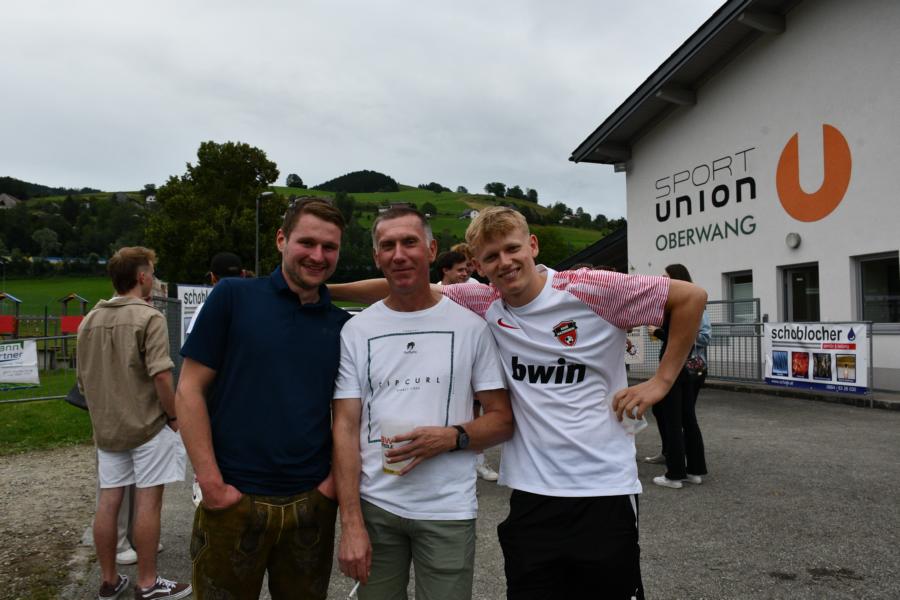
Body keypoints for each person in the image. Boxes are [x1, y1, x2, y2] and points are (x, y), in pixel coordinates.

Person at [330, 206, 707, 599]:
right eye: (492, 257)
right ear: (478, 267)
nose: (505, 262)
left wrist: (661, 381)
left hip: (603, 489)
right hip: (530, 491)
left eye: (512, 249)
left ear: (533, 245)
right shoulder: (484, 300)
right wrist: (325, 290)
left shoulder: (590, 287)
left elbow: (690, 298)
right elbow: (401, 284)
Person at [333, 207, 512, 600]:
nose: (399, 254)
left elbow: (502, 420)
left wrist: (450, 437)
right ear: (377, 257)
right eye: (388, 246)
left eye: (409, 242)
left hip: (447, 510)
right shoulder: (356, 330)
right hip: (376, 507)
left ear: (431, 250)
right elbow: (344, 427)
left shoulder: (471, 327)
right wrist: (351, 523)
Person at [176, 198, 349, 600]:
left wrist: (329, 487)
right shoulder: (233, 297)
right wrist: (212, 484)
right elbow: (188, 390)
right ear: (281, 239)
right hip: (233, 499)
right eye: (307, 242)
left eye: (330, 247)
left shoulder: (342, 325)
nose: (318, 255)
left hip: (311, 504)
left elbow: (347, 415)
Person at [76, 246, 190, 600]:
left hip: (108, 429)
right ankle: (148, 581)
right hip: (147, 425)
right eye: (151, 273)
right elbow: (161, 375)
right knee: (148, 502)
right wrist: (174, 416)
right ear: (142, 277)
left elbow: (82, 381)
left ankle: (109, 581)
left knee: (108, 501)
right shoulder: (148, 317)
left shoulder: (89, 320)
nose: (153, 279)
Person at [435, 249, 501, 481]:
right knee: (450, 412)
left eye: (467, 269)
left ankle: (479, 462)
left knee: (478, 413)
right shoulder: (435, 292)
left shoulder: (473, 287)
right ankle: (450, 461)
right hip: (447, 360)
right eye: (460, 270)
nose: (465, 274)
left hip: (474, 359)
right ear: (445, 270)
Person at [645, 264, 710, 489]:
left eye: (667, 277)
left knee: (672, 420)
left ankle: (674, 474)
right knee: (688, 419)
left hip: (676, 368)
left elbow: (682, 338)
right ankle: (695, 470)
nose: (663, 281)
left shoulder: (680, 305)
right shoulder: (692, 302)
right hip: (685, 369)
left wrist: (658, 331)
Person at [185, 251, 245, 335]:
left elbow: (191, 340)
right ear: (243, 275)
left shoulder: (205, 309)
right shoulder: (256, 307)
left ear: (212, 277)